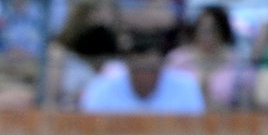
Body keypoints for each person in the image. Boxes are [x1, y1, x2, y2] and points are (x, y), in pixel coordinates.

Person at [81, 30, 210, 106]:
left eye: (150, 70)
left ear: (162, 66)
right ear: (127, 66)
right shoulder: (101, 89)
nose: (144, 76)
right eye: (138, 70)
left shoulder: (186, 87)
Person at [165, 2, 257, 103]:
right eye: (202, 30)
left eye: (212, 30)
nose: (207, 36)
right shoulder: (177, 60)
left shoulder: (239, 64)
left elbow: (245, 106)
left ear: (223, 32)